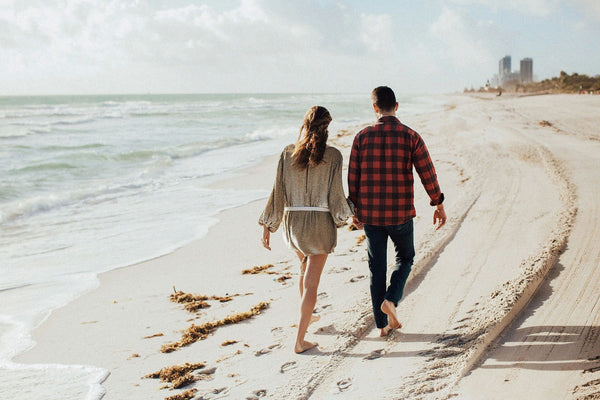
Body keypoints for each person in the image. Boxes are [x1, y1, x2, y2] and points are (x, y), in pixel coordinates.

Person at [348, 86, 446, 337]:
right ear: (397, 106)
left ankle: (381, 326)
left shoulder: (361, 137)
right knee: (405, 258)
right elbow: (427, 172)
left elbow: (353, 179)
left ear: (375, 108)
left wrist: (355, 210)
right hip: (401, 213)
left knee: (376, 268)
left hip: (371, 215)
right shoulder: (410, 136)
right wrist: (438, 203)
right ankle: (391, 301)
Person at [259, 105, 353, 353]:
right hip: (319, 225)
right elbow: (336, 197)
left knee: (303, 271)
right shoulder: (333, 156)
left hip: (292, 226)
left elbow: (277, 191)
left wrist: (268, 225)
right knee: (312, 283)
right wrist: (349, 215)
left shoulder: (287, 153)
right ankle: (300, 340)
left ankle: (308, 316)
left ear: (304, 125)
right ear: (327, 127)